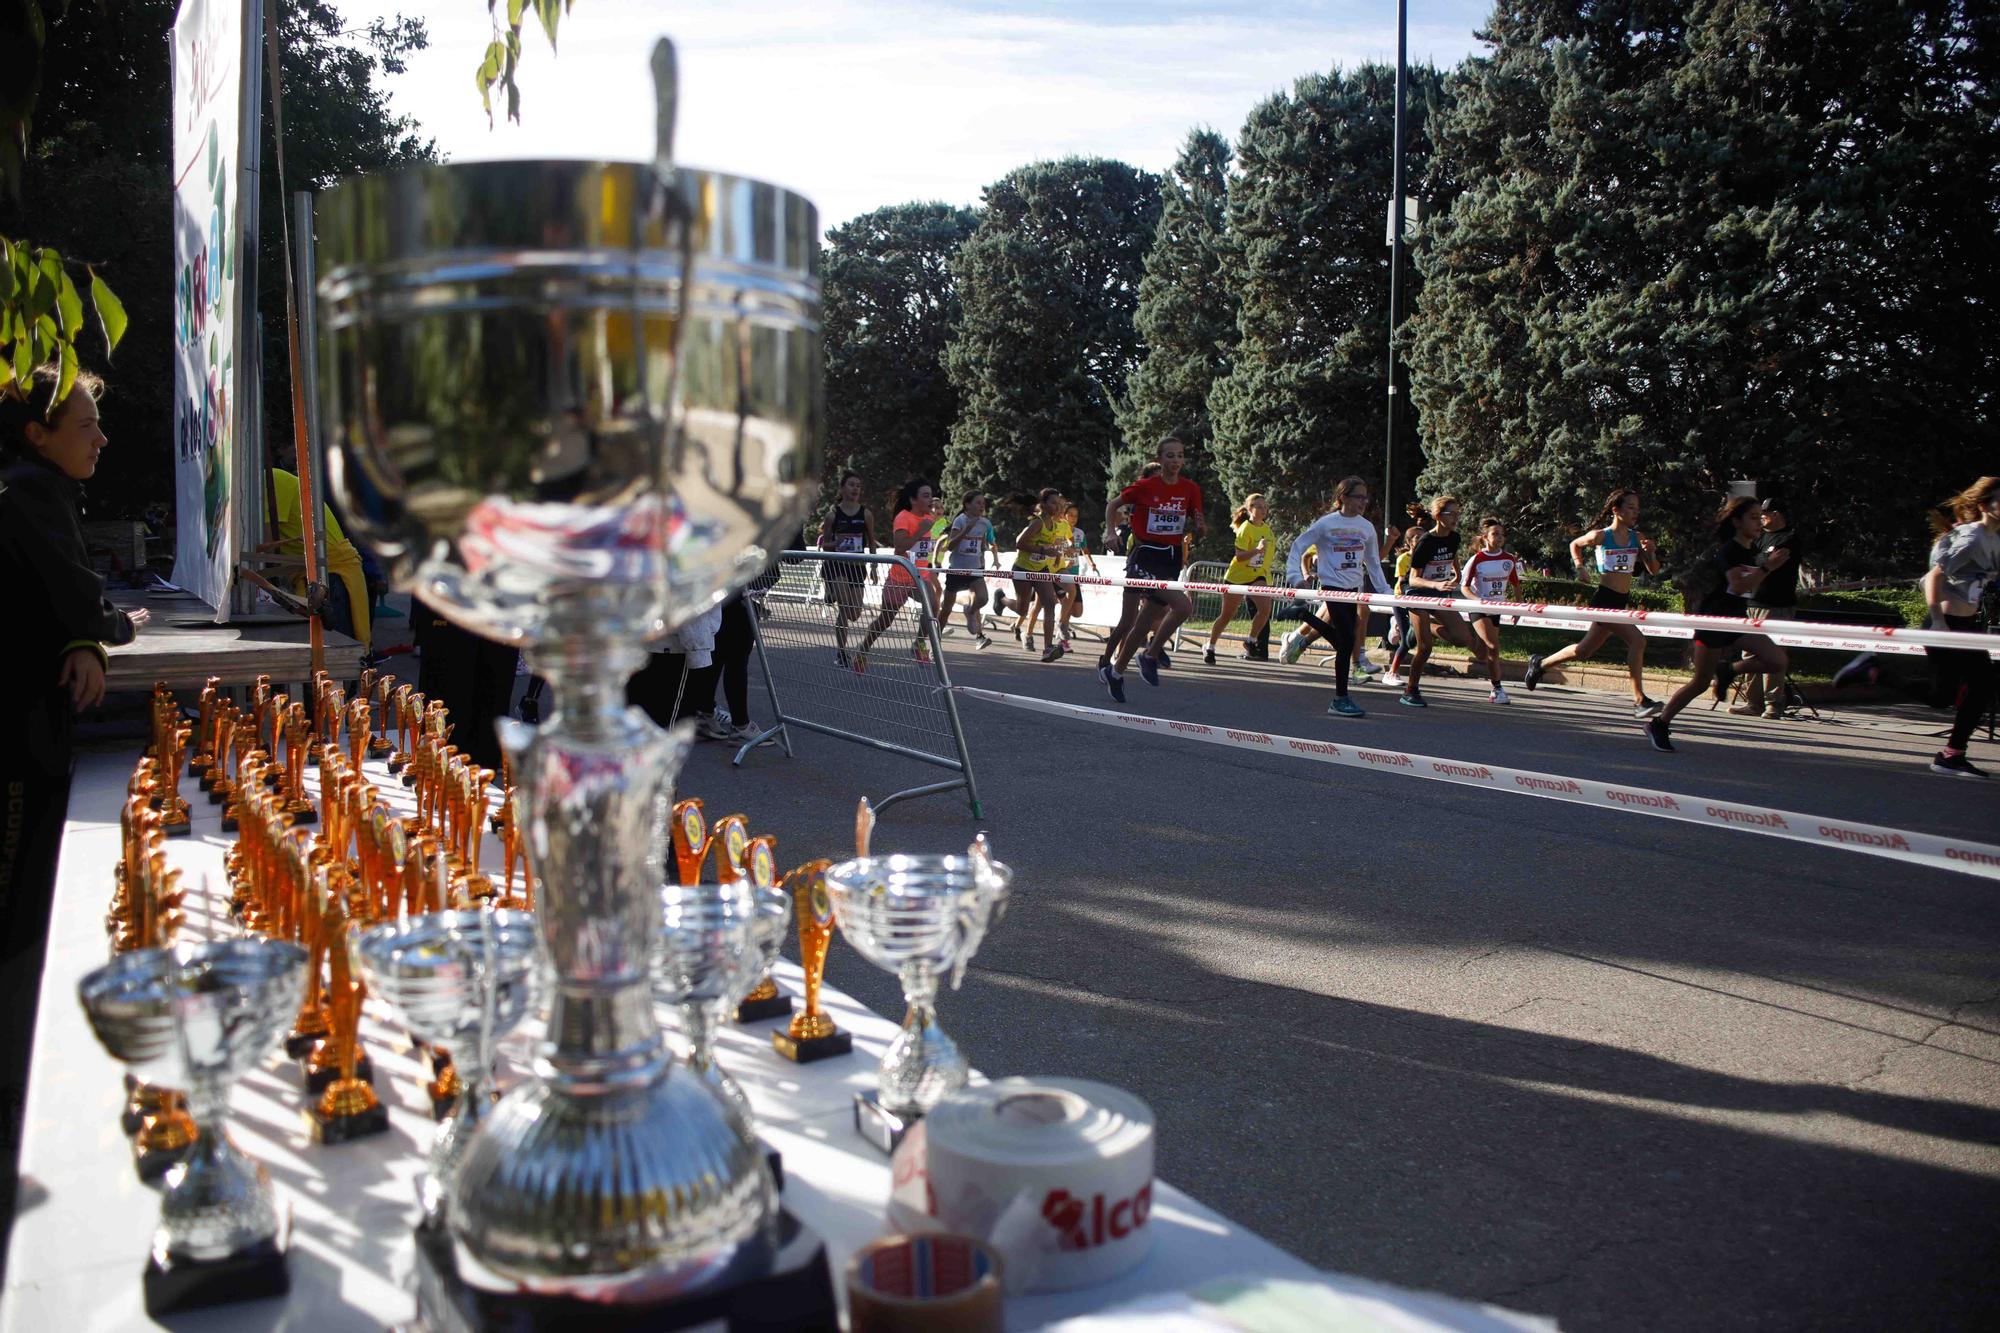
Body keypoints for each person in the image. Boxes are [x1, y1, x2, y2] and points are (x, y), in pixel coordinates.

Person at [1, 365, 147, 1191]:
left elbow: (53, 607)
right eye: (86, 423)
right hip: (15, 742)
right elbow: (78, 599)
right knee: (19, 897)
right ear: (38, 434)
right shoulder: (25, 492)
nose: (100, 437)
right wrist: (96, 631)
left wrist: (78, 641)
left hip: (32, 721)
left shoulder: (35, 492)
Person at [1645, 497, 1789, 753]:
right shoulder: (1728, 551)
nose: (1759, 522)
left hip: (1737, 620)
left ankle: (1729, 670)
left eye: (1760, 517)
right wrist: (1768, 566)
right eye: (1753, 517)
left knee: (1777, 660)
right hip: (1715, 620)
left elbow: (1748, 586)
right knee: (1700, 682)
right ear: (1737, 521)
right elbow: (1738, 585)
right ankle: (1659, 723)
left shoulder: (1750, 551)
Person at [1522, 488, 1663, 718]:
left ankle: (1540, 664)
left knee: (1584, 650)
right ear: (1616, 510)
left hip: (1620, 601)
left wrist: (1652, 553)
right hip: (1604, 599)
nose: (1635, 513)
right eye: (1630, 508)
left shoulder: (1637, 538)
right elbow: (1574, 544)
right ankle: (1640, 700)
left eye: (1637, 508)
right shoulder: (1601, 536)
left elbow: (1654, 570)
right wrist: (1580, 567)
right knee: (1638, 640)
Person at [1100, 438, 1204, 701]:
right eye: (1170, 456)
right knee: (1183, 607)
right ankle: (1150, 654)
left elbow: (1195, 515)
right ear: (1160, 459)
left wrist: (1201, 526)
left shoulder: (1190, 488)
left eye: (1180, 455)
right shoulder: (1146, 486)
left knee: (1145, 619)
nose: (1176, 461)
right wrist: (1110, 531)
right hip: (1145, 556)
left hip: (1169, 557)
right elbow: (1113, 504)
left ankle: (1116, 672)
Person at [1280, 477, 1393, 717]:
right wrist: (1295, 578)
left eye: (1366, 497)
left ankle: (1302, 616)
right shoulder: (1326, 524)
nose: (1364, 502)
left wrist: (1385, 591)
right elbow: (1298, 547)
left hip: (1353, 590)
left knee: (1345, 643)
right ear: (1343, 498)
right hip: (1332, 588)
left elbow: (1373, 562)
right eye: (1358, 497)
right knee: (1346, 644)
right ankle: (1340, 698)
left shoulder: (1366, 527)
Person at [1922, 477, 2000, 778]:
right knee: (1946, 695)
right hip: (1946, 622)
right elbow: (1933, 577)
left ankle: (1951, 755)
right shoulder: (1971, 538)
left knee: (1975, 688)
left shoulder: (1995, 538)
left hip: (1966, 623)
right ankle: (1872, 671)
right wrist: (1938, 621)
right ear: (1983, 505)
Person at [1396, 495, 1497, 708]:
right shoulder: (1426, 541)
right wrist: (1436, 585)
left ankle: (1427, 628)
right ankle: (1410, 690)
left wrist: (1457, 575)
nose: (1456, 517)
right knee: (1425, 648)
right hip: (1418, 592)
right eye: (1451, 513)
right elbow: (1413, 578)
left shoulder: (1454, 537)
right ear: (1438, 516)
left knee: (1461, 638)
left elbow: (1452, 557)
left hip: (1440, 591)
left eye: (1458, 513)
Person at [854, 478, 937, 674]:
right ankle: (863, 649)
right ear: (913, 499)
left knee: (932, 606)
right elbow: (900, 547)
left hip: (920, 576)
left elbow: (933, 543)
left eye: (931, 496)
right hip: (900, 577)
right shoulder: (904, 517)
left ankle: (919, 643)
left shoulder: (930, 519)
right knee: (885, 620)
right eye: (925, 496)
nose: (930, 500)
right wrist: (920, 531)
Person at [1739, 496, 1805, 717]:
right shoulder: (1759, 537)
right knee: (1749, 654)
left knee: (1772, 653)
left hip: (1777, 605)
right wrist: (1763, 558)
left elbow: (1775, 561)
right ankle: (1753, 702)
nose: (1760, 520)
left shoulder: (1790, 537)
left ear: (1776, 515)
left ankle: (1774, 703)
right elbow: (1747, 560)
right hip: (1752, 602)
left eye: (1763, 516)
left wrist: (1761, 560)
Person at [1204, 493, 1276, 665]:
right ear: (1250, 509)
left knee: (1265, 609)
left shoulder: (1267, 529)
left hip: (1257, 576)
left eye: (1265, 506)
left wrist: (1265, 569)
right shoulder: (1245, 528)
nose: (1263, 510)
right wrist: (1257, 550)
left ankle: (1251, 640)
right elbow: (1240, 556)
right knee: (1227, 615)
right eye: (1258, 506)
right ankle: (1210, 646)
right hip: (1237, 577)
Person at [1459, 518, 1522, 705]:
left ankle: (1466, 640)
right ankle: (1497, 689)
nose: (1500, 537)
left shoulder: (1509, 559)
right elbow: (1465, 587)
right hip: (1478, 608)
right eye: (1495, 534)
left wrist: (1519, 607)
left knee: (1484, 652)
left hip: (1497, 609)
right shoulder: (1477, 559)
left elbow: (1516, 585)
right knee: (1494, 647)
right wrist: (1479, 601)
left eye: (1502, 534)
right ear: (1485, 537)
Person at [818, 470, 878, 665]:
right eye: (851, 485)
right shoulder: (832, 515)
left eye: (858, 486)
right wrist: (837, 542)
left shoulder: (866, 514)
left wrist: (874, 567)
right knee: (844, 607)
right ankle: (842, 653)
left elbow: (871, 543)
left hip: (857, 567)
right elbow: (824, 545)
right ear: (842, 488)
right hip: (837, 566)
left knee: (854, 614)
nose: (855, 489)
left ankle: (832, 594)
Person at [1005, 488, 1071, 661]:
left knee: (1050, 603)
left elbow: (1050, 547)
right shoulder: (1038, 522)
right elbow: (1020, 543)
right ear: (1043, 504)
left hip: (1041, 570)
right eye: (1053, 503)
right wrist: (1043, 550)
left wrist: (1055, 555)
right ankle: (1002, 599)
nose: (1057, 507)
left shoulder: (1056, 525)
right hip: (1023, 569)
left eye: (1059, 504)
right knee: (1022, 610)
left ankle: (1048, 648)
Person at [938, 491, 998, 648]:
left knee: (983, 599)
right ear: (967, 505)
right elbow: (950, 546)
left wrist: (986, 558)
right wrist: (966, 530)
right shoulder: (960, 520)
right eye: (978, 503)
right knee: (946, 609)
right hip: (957, 570)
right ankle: (935, 641)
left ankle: (970, 611)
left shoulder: (985, 523)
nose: (982, 506)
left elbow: (984, 543)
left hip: (975, 569)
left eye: (983, 503)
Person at [1381, 522, 1425, 687]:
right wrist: (1404, 597)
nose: (1422, 541)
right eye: (1418, 538)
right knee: (1407, 642)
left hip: (1420, 600)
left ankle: (1397, 626)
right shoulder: (1403, 559)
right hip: (1402, 601)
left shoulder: (1427, 558)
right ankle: (1392, 672)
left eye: (1424, 538)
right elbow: (1400, 582)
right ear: (1409, 542)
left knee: (1415, 640)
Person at [1056, 502, 1097, 645]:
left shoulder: (1080, 533)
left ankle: (1060, 625)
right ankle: (1062, 640)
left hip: (1074, 575)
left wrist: (1091, 563)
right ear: (1063, 515)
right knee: (1065, 606)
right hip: (1060, 574)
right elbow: (1053, 550)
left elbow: (1084, 550)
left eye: (1076, 516)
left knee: (1077, 612)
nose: (1074, 518)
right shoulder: (1058, 530)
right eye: (1070, 515)